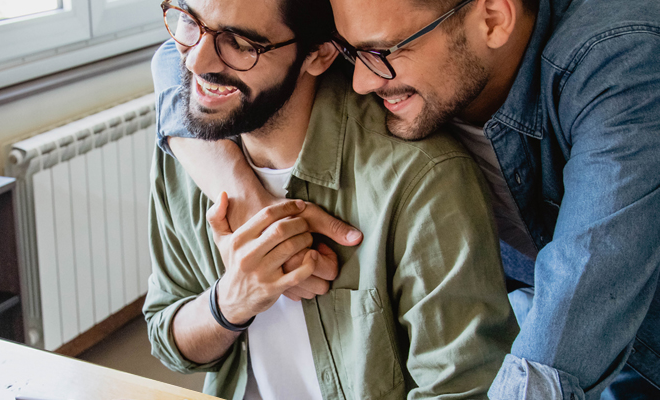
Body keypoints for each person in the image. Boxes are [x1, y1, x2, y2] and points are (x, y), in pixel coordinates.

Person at [158, 0, 660, 398]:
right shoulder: (401, 48)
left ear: (492, 17)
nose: (359, 82)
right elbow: (177, 57)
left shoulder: (620, 58)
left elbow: (588, 278)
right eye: (352, 53)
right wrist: (248, 200)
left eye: (382, 53)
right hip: (536, 326)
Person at [142, 0, 518, 398]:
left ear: (320, 53)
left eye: (240, 43)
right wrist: (229, 302)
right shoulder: (186, 151)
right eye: (189, 21)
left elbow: (460, 390)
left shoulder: (421, 178)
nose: (196, 62)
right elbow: (168, 341)